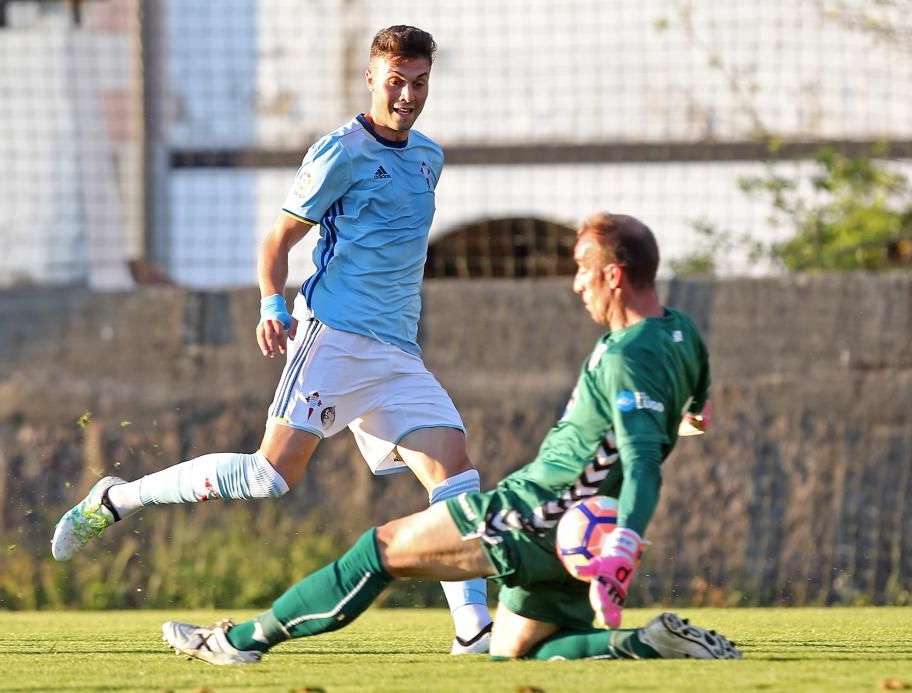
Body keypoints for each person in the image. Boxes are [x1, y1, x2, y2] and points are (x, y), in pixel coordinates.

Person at [50, 25, 493, 655]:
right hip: (333, 338)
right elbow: (276, 242)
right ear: (371, 78)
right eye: (396, 82)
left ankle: (473, 631)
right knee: (269, 476)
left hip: (396, 353)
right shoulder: (338, 152)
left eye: (419, 83)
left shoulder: (428, 156)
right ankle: (116, 498)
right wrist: (270, 303)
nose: (407, 96)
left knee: (454, 474)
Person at [159, 212, 742, 665]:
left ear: (614, 276)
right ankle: (649, 643)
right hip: (572, 529)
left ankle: (240, 640)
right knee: (518, 650)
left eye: (583, 271)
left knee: (378, 551)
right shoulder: (680, 333)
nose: (576, 285)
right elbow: (697, 416)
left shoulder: (625, 357)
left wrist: (623, 544)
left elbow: (642, 462)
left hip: (536, 512)